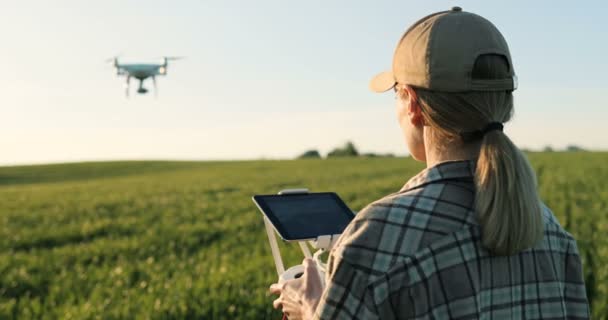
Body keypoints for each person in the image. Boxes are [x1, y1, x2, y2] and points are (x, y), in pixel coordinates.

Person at [270, 7, 590, 319]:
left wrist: (310, 309)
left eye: (396, 93)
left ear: (412, 104)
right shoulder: (550, 232)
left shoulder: (378, 237)